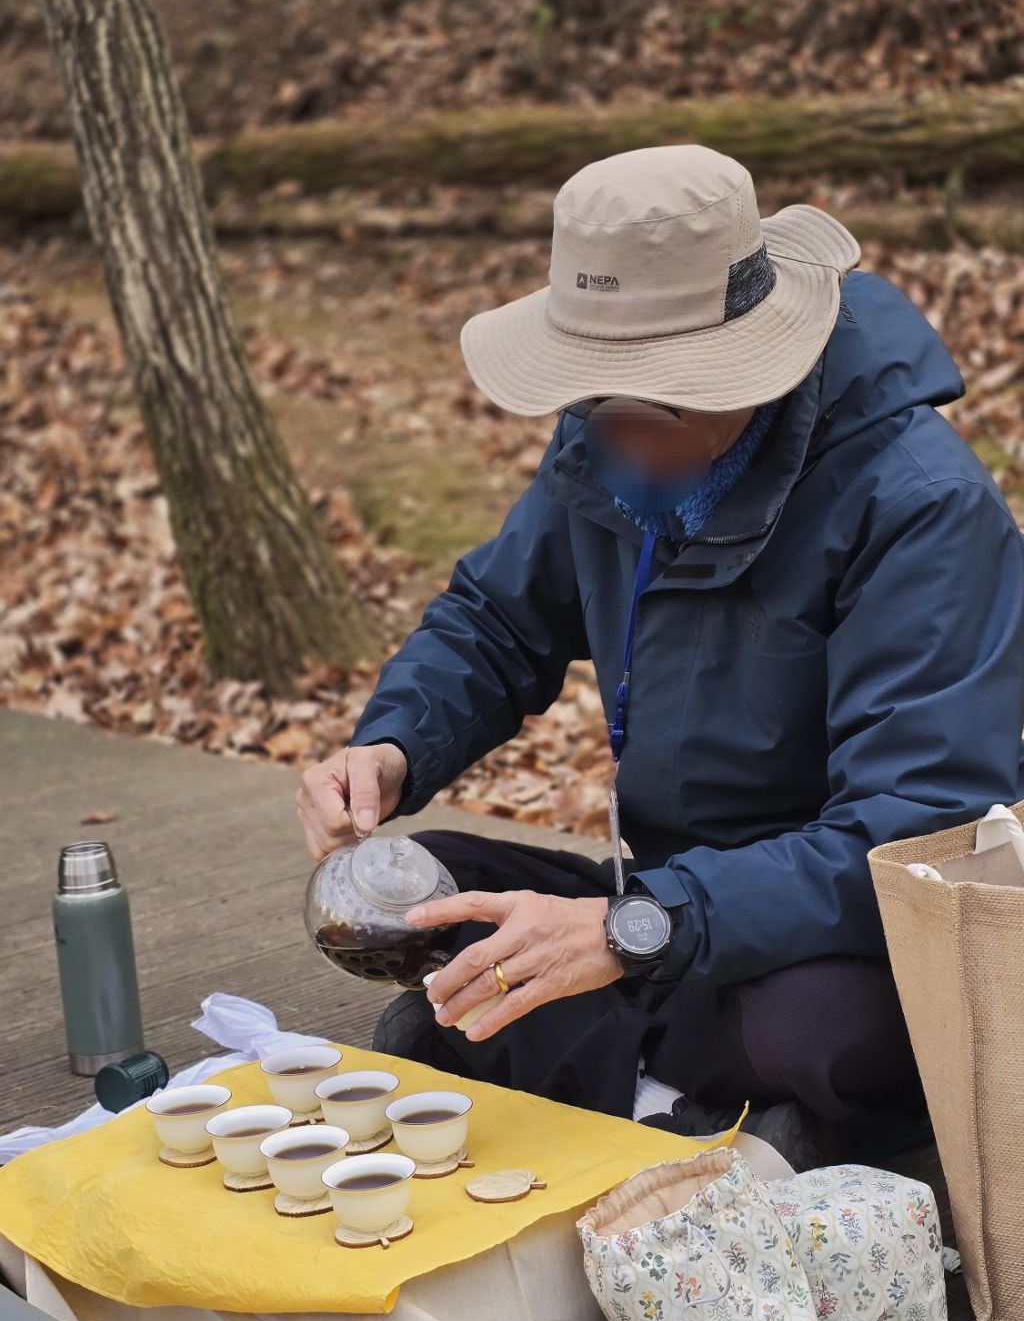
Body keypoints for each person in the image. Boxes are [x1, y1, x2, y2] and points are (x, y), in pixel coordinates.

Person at [297, 144, 1024, 1165]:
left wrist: (634, 929)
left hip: (838, 929)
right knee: (408, 890)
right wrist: (392, 747)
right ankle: (681, 1094)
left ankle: (606, 1064)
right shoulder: (611, 438)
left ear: (753, 370)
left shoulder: (920, 506)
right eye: (596, 404)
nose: (613, 440)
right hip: (664, 897)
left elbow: (910, 834)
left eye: (651, 409)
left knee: (818, 1031)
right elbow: (495, 618)